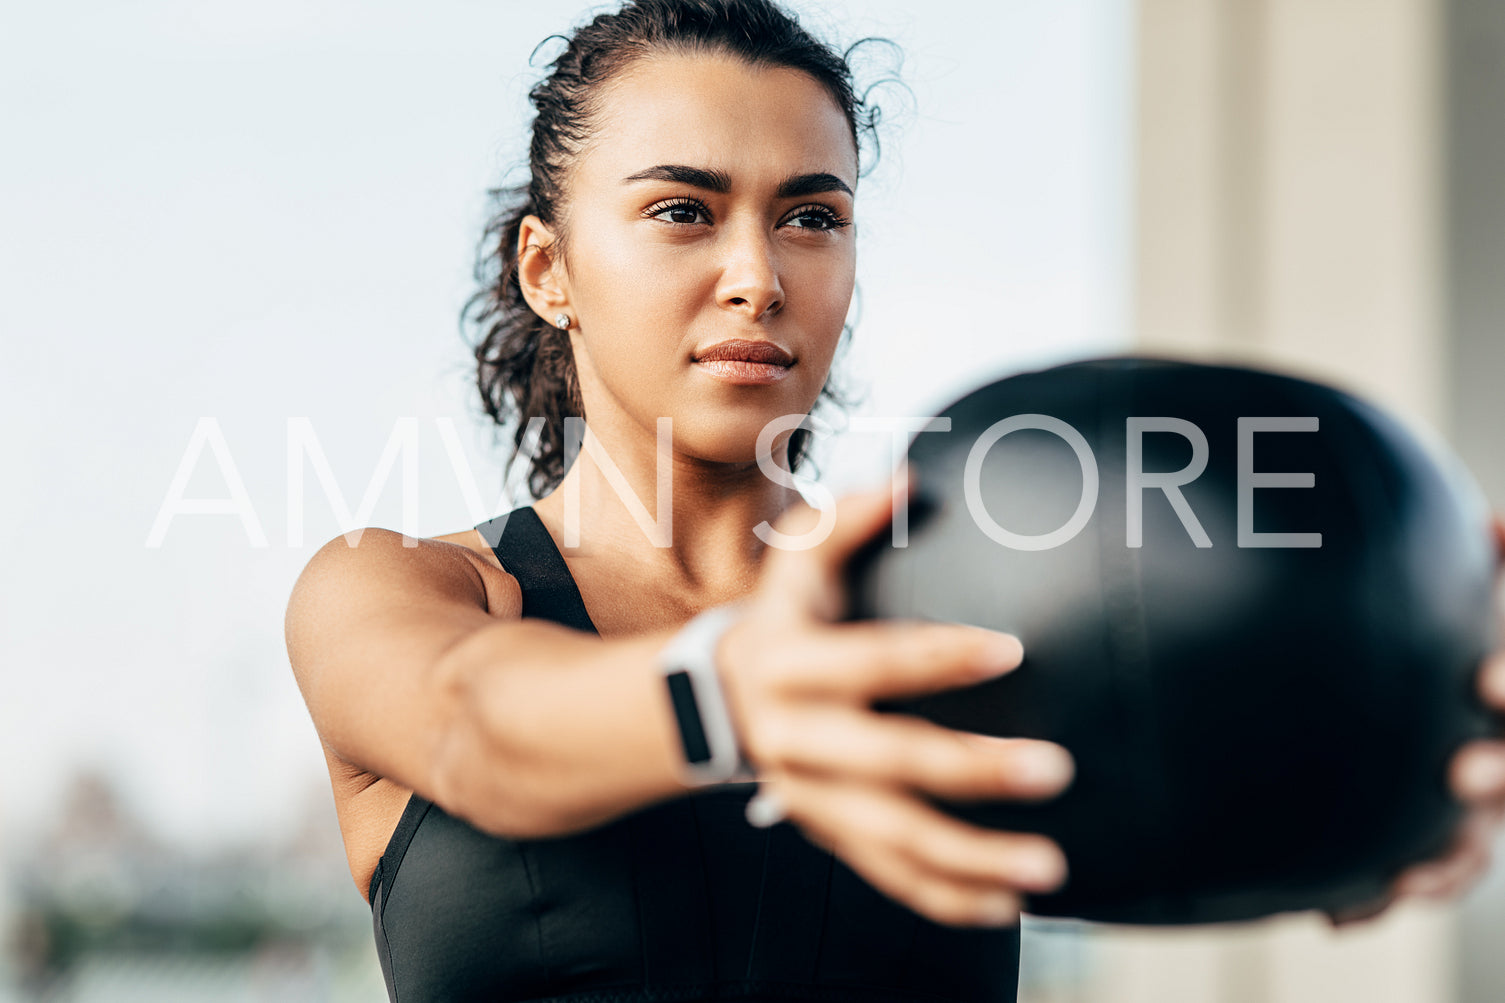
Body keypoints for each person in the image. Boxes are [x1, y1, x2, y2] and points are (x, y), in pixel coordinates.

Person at [284, 1, 1505, 1000]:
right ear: (549, 269)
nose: (758, 277)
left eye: (811, 216)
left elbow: (1181, 790)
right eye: (681, 212)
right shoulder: (401, 587)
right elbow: (474, 730)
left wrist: (1367, 785)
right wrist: (731, 694)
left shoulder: (961, 608)